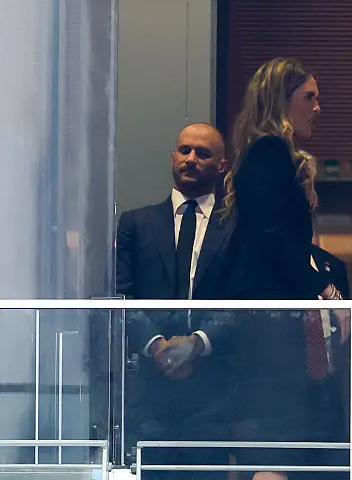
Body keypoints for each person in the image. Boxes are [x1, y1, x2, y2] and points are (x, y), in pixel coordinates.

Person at [212, 57, 343, 480]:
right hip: (268, 327)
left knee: (280, 443)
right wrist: (323, 290)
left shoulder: (266, 153)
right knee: (274, 441)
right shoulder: (269, 151)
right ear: (282, 99)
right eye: (310, 97)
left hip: (271, 326)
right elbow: (271, 237)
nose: (318, 108)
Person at [115, 123, 234, 479]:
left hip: (214, 388)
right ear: (172, 158)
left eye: (203, 153)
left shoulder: (237, 226)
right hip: (148, 388)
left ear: (222, 165)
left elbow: (246, 297)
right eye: (185, 151)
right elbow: (121, 294)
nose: (192, 159)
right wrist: (157, 346)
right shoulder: (135, 223)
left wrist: (198, 343)